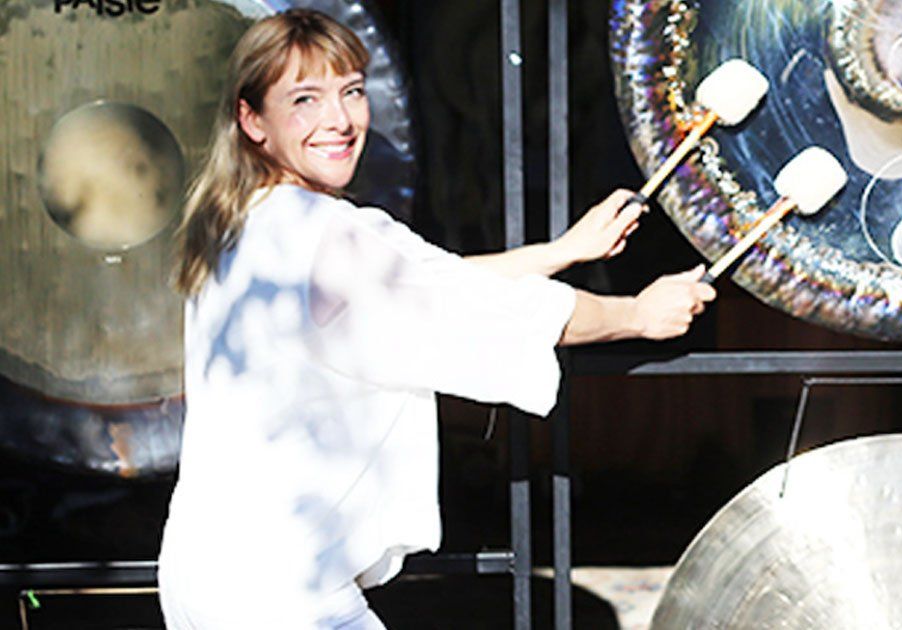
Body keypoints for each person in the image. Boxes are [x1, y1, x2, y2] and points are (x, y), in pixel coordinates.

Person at [157, 9, 714, 629]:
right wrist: (635, 314)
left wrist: (564, 251)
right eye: (305, 99)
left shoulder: (242, 220)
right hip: (279, 592)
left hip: (204, 568)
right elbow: (485, 315)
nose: (339, 119)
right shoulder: (327, 233)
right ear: (252, 120)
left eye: (352, 91)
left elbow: (435, 280)